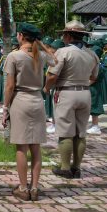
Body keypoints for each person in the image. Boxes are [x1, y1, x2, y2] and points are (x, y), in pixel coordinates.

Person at [44, 21, 99, 179]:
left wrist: (47, 88)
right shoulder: (92, 53)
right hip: (85, 92)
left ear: (68, 35)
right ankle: (77, 167)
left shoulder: (63, 52)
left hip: (66, 93)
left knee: (65, 132)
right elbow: (94, 76)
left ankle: (65, 167)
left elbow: (53, 75)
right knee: (80, 133)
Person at [3, 23, 47, 201]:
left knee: (21, 146)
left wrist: (5, 107)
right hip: (37, 99)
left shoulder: (14, 56)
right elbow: (57, 62)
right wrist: (41, 45)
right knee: (36, 146)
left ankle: (23, 187)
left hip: (20, 99)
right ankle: (35, 187)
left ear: (20, 36)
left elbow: (10, 86)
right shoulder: (42, 56)